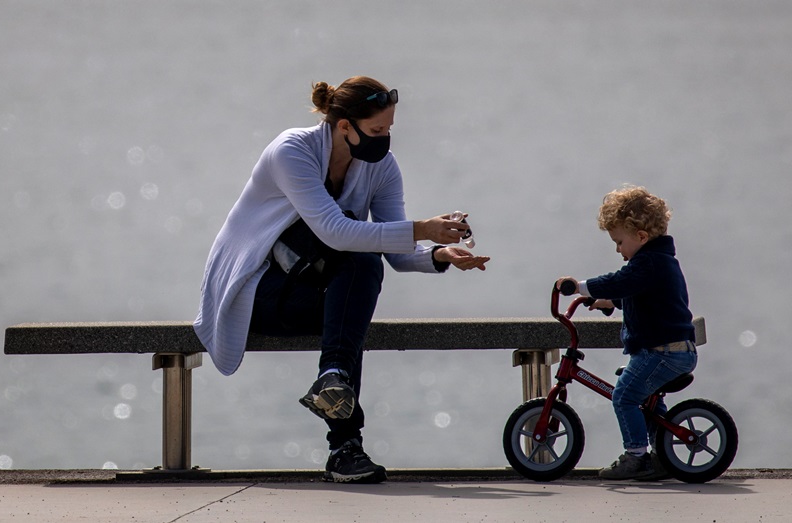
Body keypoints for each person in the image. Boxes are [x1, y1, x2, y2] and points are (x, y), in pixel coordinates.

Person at [193, 76, 490, 484]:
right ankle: (344, 434)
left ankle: (341, 428)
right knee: (352, 248)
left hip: (307, 289)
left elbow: (396, 254)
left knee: (359, 283)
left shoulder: (381, 167)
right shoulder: (291, 151)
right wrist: (422, 228)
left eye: (389, 130)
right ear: (344, 126)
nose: (385, 140)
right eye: (376, 131)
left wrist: (438, 254)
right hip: (257, 292)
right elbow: (334, 231)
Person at [556, 185, 696, 481]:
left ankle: (636, 457)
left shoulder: (648, 263)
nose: (617, 249)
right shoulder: (658, 263)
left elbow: (622, 282)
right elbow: (636, 292)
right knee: (648, 403)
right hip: (668, 350)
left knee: (624, 397)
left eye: (619, 242)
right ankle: (662, 454)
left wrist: (579, 287)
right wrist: (608, 302)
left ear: (641, 237)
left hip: (663, 352)